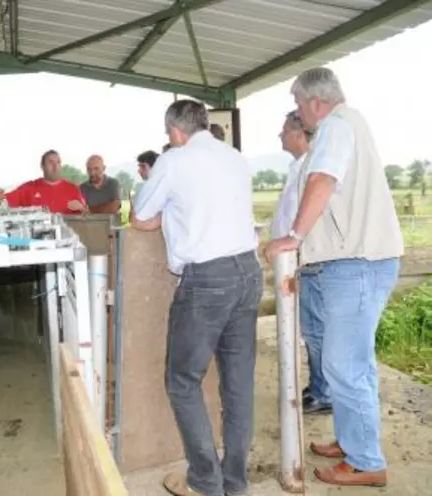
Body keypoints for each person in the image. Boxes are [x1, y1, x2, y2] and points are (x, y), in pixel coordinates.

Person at [264, 67, 403, 488]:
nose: (298, 114)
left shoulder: (336, 128)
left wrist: (294, 236)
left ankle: (365, 462)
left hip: (356, 263)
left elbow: (323, 180)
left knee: (345, 365)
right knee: (349, 363)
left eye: (298, 105)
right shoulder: (346, 126)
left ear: (316, 103)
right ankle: (351, 440)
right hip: (352, 262)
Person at [131, 99, 262, 496]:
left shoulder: (174, 160)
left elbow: (139, 214)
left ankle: (206, 480)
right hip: (249, 272)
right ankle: (235, 482)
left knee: (183, 381)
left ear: (174, 132)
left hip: (207, 280)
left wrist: (165, 214)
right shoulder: (235, 157)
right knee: (238, 384)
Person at [271, 111, 331, 416]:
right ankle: (320, 384)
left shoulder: (310, 168)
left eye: (283, 130)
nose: (279, 135)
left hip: (306, 258)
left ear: (298, 134)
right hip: (294, 259)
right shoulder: (298, 167)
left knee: (315, 327)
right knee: (309, 327)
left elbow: (304, 216)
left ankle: (324, 392)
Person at [0, 149, 86, 214]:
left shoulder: (73, 189)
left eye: (58, 162)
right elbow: (4, 201)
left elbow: (88, 214)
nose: (55, 166)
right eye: (51, 162)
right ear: (42, 166)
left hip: (66, 240)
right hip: (38, 241)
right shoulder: (29, 188)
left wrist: (82, 209)